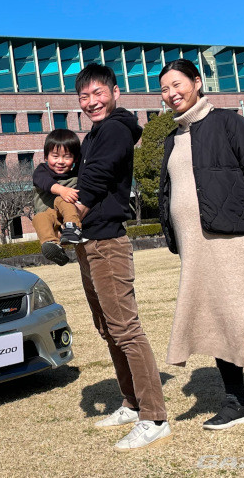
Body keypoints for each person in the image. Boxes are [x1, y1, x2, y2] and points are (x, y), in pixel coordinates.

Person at [157, 58, 244, 439]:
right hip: (194, 245)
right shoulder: (173, 137)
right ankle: (235, 402)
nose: (171, 94)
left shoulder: (231, 124)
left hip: (232, 239)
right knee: (215, 316)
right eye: (164, 89)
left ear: (197, 82)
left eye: (177, 84)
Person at [71, 63, 170, 451]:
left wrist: (71, 217)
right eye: (84, 96)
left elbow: (93, 181)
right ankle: (131, 403)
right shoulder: (96, 132)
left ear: (115, 93)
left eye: (99, 93)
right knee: (108, 328)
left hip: (107, 242)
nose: (92, 101)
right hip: (89, 242)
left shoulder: (114, 128)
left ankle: (154, 416)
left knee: (125, 329)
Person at [31, 128, 85, 266]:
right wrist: (61, 190)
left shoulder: (76, 176)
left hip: (66, 214)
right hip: (48, 216)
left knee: (64, 200)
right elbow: (44, 182)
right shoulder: (42, 170)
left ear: (75, 159)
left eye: (67, 157)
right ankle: (52, 245)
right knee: (38, 218)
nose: (60, 161)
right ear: (46, 157)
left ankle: (72, 227)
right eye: (55, 156)